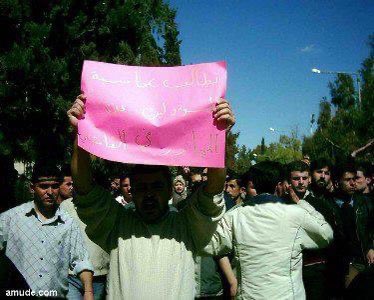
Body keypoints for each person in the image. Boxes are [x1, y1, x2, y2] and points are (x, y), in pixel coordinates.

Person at [67, 94, 235, 299]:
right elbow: (84, 187)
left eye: (156, 186)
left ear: (168, 189)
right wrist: (80, 132)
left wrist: (218, 135)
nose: (148, 193)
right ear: (131, 191)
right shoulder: (117, 224)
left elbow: (213, 189)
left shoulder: (187, 225)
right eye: (141, 187)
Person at [203, 161, 334, 299]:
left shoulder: (235, 216)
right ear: (279, 186)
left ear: (254, 184)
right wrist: (302, 204)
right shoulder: (296, 214)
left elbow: (210, 245)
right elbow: (326, 235)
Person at [0, 163, 94, 299]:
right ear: (32, 188)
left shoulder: (68, 223)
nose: (50, 192)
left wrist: (88, 292)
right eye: (44, 187)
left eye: (55, 186)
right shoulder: (10, 219)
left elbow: (81, 260)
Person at [333, 163, 374, 295]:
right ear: (337, 182)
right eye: (347, 180)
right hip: (343, 267)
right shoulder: (330, 205)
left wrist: (371, 247)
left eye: (354, 179)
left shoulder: (364, 202)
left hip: (365, 262)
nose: (352, 183)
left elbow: (371, 228)